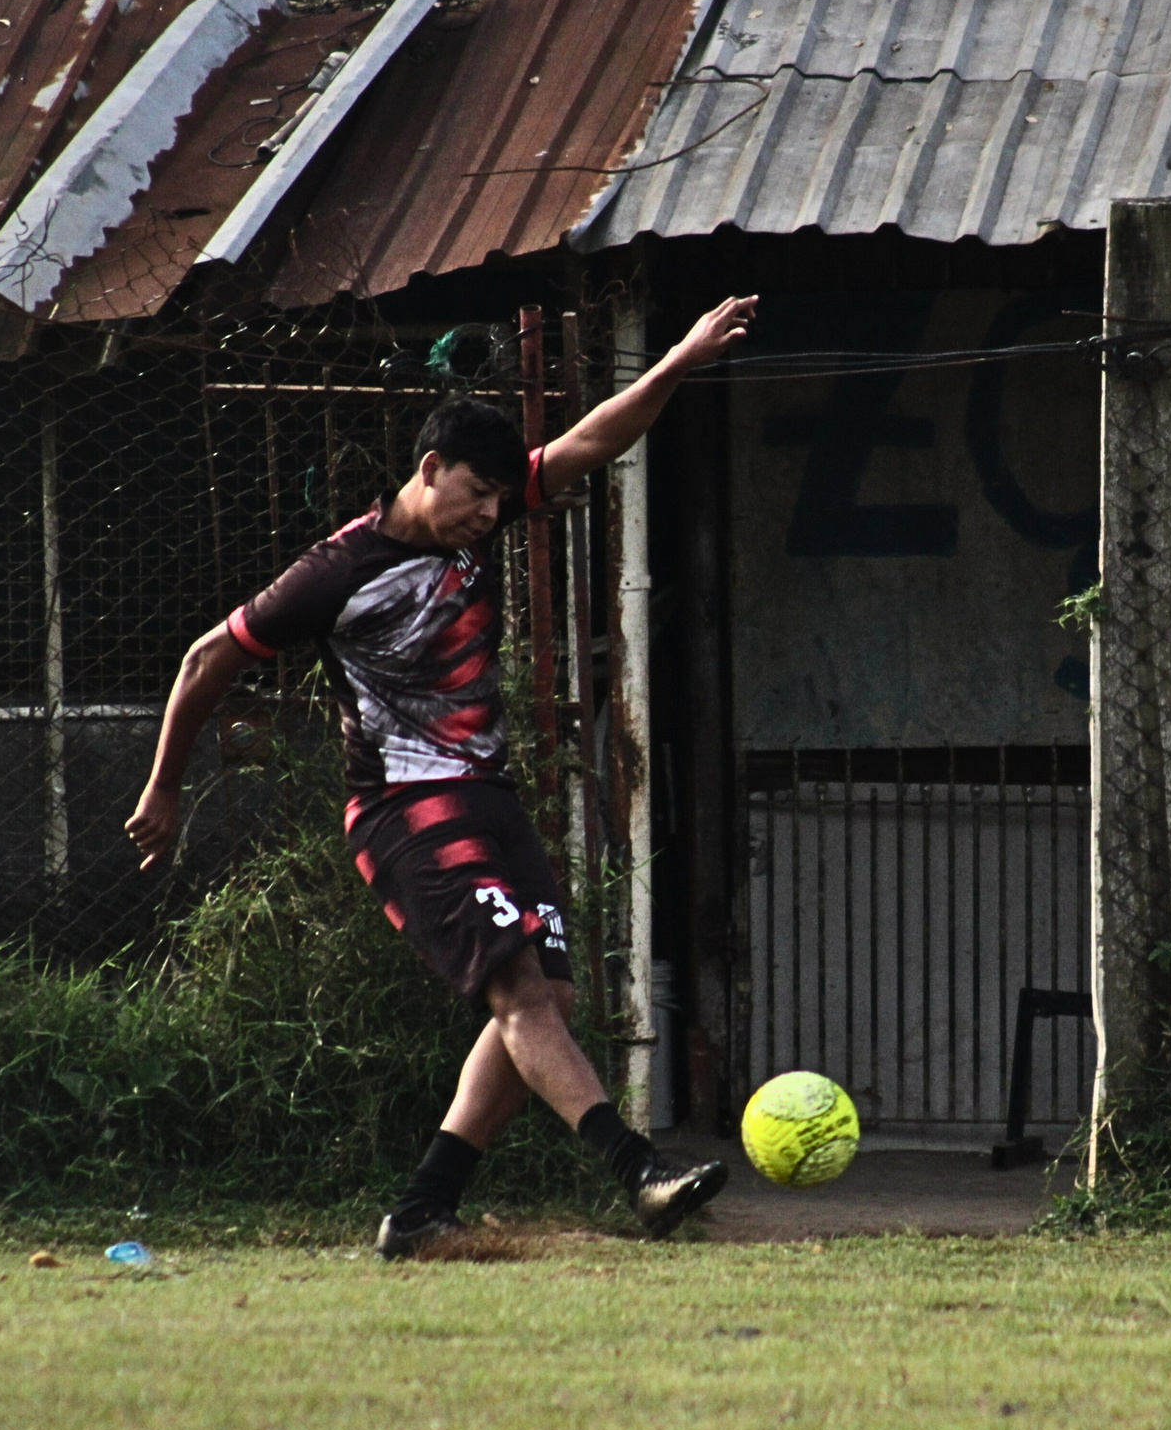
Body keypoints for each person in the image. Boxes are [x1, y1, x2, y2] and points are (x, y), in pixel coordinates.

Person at [126, 295, 758, 1257]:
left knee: (549, 998)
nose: (493, 513)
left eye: (504, 497)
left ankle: (423, 1209)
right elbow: (207, 658)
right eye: (479, 493)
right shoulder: (338, 571)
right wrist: (165, 784)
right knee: (520, 990)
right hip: (405, 809)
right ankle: (639, 1171)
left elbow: (591, 441)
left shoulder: (473, 527)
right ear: (429, 470)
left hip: (487, 797)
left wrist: (677, 358)